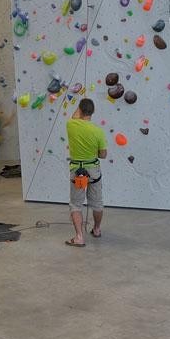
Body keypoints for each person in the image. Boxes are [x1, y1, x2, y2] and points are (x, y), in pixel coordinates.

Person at [65, 97, 108, 247]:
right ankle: (96, 229)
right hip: (93, 171)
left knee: (76, 204)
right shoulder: (98, 131)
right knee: (97, 202)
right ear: (93, 112)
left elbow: (74, 116)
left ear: (80, 110)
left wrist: (79, 107)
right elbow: (103, 155)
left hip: (77, 171)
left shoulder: (71, 125)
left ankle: (79, 237)